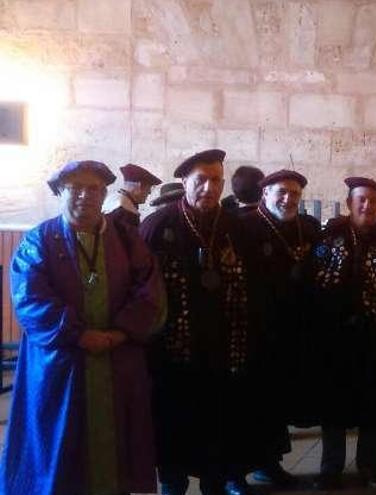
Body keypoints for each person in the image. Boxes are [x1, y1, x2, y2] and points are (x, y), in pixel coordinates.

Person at [0, 160, 163, 495]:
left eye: (93, 188)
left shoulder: (127, 239)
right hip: (62, 364)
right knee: (59, 447)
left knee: (116, 452)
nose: (85, 196)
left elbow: (150, 291)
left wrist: (120, 331)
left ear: (105, 194)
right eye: (75, 187)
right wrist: (78, 334)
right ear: (60, 191)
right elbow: (30, 298)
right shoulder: (39, 241)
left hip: (117, 360)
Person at [140, 149, 264, 495]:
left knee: (218, 437)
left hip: (224, 356)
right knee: (174, 437)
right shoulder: (158, 226)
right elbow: (139, 292)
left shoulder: (235, 228)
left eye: (216, 181)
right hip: (173, 358)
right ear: (184, 181)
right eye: (201, 180)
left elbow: (254, 288)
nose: (209, 188)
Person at [312, 177, 376, 490]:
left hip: (375, 338)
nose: (367, 206)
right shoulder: (329, 237)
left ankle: (370, 467)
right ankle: (331, 469)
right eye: (361, 200)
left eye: (373, 201)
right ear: (349, 203)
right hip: (335, 339)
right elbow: (312, 280)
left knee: (373, 405)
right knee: (333, 408)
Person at [240, 169, 321, 487]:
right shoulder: (244, 227)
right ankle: (237, 473)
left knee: (275, 405)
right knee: (248, 405)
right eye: (282, 192)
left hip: (289, 333)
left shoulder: (307, 229)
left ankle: (269, 465)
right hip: (252, 331)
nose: (288, 199)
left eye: (295, 194)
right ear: (265, 193)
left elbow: (320, 262)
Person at [104, 163, 162, 227]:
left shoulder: (112, 199)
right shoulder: (127, 212)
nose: (149, 193)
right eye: (149, 188)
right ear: (140, 186)